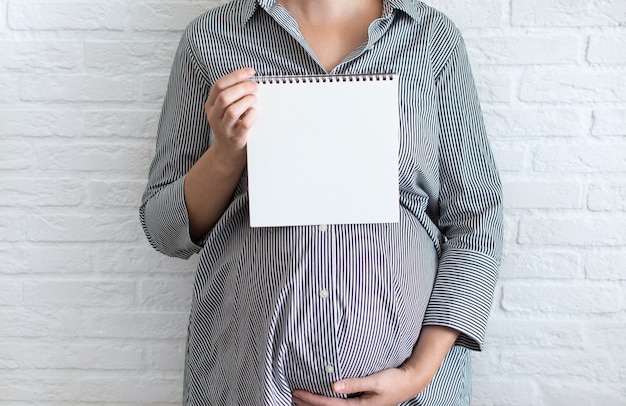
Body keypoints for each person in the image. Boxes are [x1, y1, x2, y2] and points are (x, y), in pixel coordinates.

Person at [140, 0, 503, 404]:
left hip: (414, 389)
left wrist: (418, 374)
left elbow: (477, 219)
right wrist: (226, 152)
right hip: (247, 378)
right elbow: (165, 231)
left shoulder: (432, 39)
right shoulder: (209, 38)